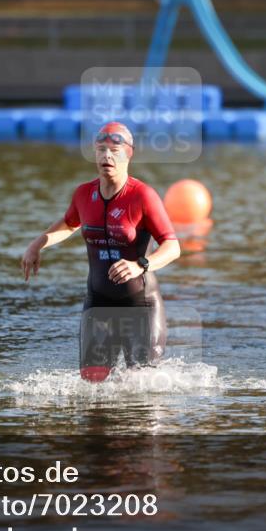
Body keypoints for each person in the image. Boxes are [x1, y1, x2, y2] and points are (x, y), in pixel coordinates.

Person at [21, 122, 181, 382]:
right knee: (91, 386)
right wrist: (38, 243)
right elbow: (69, 223)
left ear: (129, 153)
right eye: (101, 149)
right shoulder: (84, 193)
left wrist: (141, 264)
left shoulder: (142, 196)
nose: (107, 156)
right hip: (98, 303)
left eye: (114, 150)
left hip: (140, 305)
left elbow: (172, 247)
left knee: (141, 387)